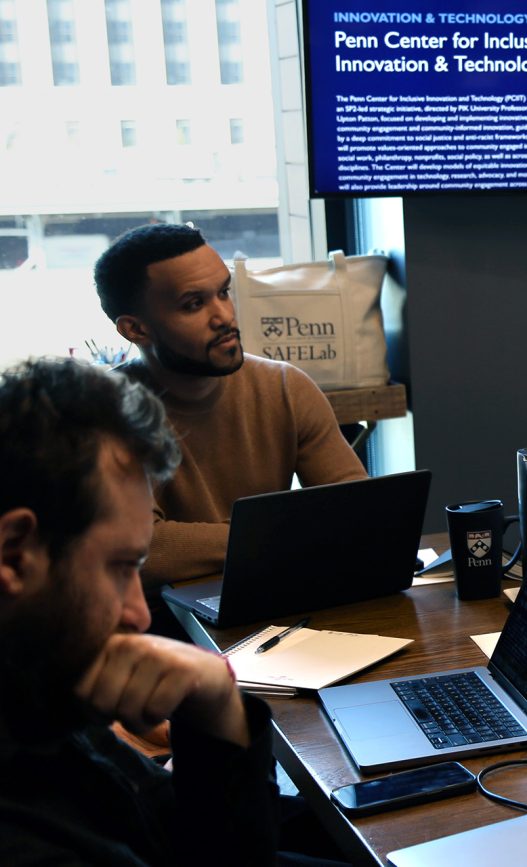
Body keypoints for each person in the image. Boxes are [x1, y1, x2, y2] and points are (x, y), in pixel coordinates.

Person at [0, 357, 279, 865]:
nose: (138, 614)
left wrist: (216, 708)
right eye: (120, 566)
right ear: (14, 553)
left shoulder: (38, 696)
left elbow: (183, 836)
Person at [93, 224, 366, 590]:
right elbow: (144, 548)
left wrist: (265, 540)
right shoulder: (102, 412)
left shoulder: (285, 386)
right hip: (159, 622)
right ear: (135, 329)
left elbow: (358, 514)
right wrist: (290, 535)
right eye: (193, 304)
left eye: (223, 292)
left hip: (275, 599)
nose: (224, 316)